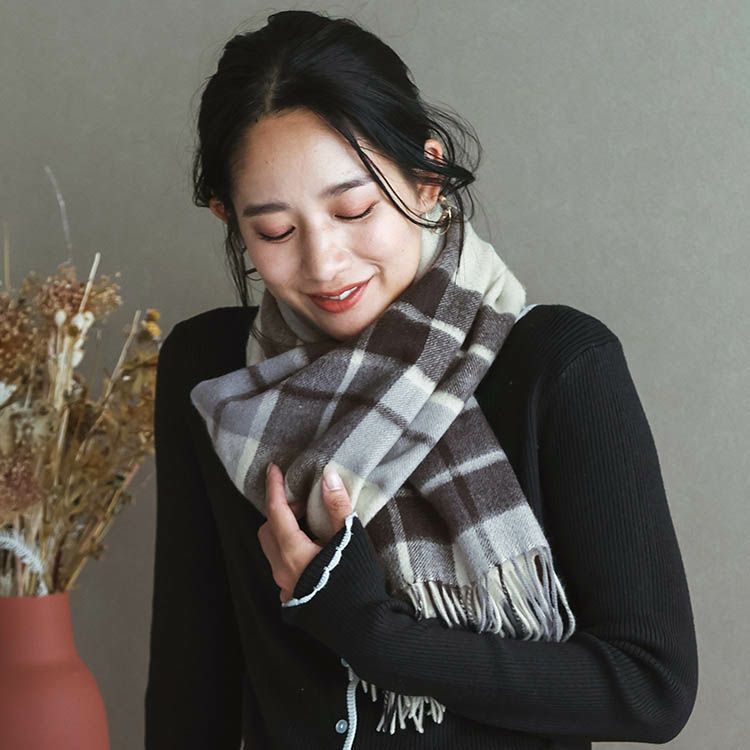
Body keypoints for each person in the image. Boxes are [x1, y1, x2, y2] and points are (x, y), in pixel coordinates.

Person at [144, 9, 698, 749]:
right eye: (275, 231)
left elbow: (652, 689)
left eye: (354, 210)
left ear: (428, 176)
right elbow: (192, 679)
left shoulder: (558, 365)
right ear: (230, 220)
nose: (324, 263)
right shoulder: (214, 375)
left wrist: (370, 631)